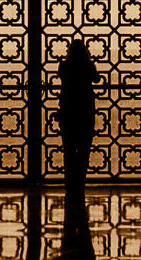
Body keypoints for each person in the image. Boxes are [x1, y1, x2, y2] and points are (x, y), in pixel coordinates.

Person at [58, 39, 98, 203]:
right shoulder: (88, 65)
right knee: (83, 150)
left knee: (68, 149)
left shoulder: (64, 65)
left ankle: (69, 185)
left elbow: (62, 78)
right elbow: (96, 79)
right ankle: (80, 185)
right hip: (85, 110)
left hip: (68, 109)